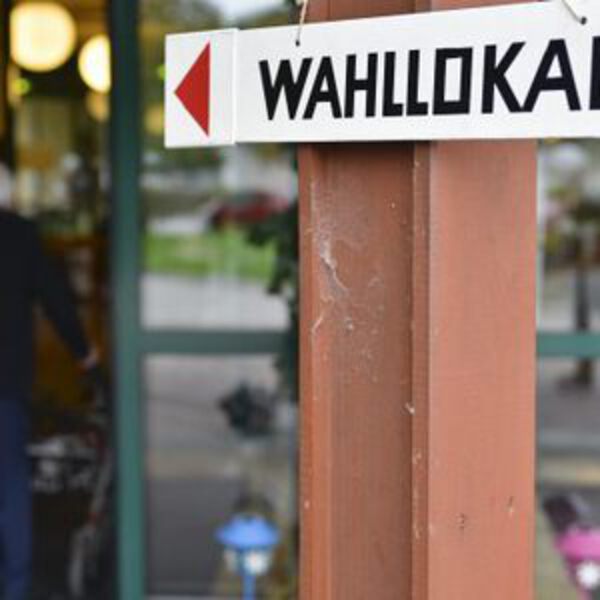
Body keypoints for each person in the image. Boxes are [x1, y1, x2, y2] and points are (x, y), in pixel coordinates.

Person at [0, 164, 98, 600]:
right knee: (10, 489)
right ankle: (15, 587)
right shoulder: (20, 235)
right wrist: (83, 352)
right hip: (5, 387)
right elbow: (56, 298)